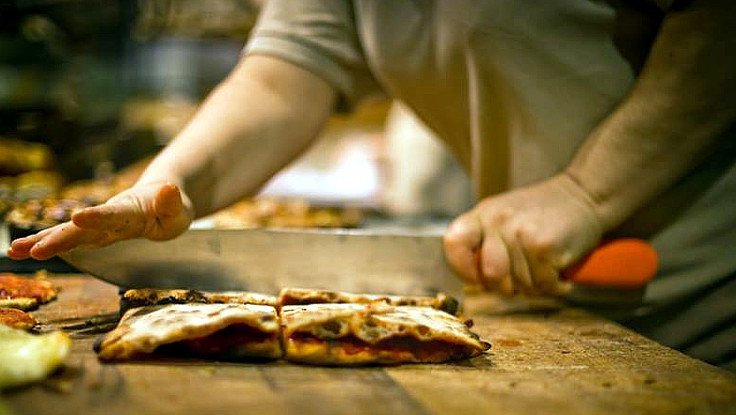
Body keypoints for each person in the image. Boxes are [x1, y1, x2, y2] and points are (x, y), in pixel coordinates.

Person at [8, 0, 736, 370]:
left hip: (704, 305)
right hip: (551, 296)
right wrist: (167, 186)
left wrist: (585, 193)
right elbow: (286, 70)